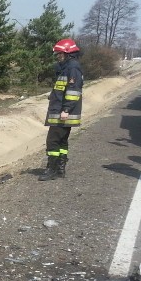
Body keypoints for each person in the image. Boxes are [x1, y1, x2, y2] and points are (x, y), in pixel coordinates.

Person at [39, 38, 83, 181]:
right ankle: (60, 169)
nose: (58, 56)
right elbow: (63, 88)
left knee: (52, 141)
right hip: (61, 110)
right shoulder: (67, 67)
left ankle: (51, 169)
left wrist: (66, 110)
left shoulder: (72, 68)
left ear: (68, 53)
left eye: (60, 53)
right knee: (62, 142)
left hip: (62, 112)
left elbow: (73, 91)